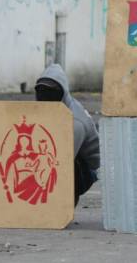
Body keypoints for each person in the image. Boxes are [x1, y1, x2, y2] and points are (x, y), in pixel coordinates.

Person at [34, 64, 100, 205]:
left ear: (62, 92)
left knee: (61, 163)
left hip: (86, 168)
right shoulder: (48, 110)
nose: (44, 95)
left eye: (50, 91)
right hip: (60, 150)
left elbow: (62, 160)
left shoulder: (75, 122)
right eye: (41, 90)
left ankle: (64, 204)